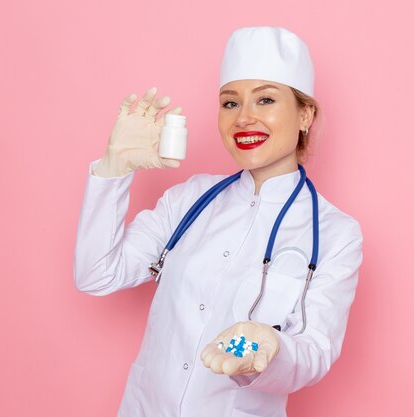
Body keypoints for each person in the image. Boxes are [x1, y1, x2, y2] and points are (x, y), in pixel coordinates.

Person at [74, 26, 363, 417]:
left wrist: (270, 347)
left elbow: (314, 350)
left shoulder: (334, 234)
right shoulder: (189, 200)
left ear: (305, 114)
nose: (244, 117)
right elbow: (96, 274)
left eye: (265, 100)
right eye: (230, 103)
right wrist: (114, 169)